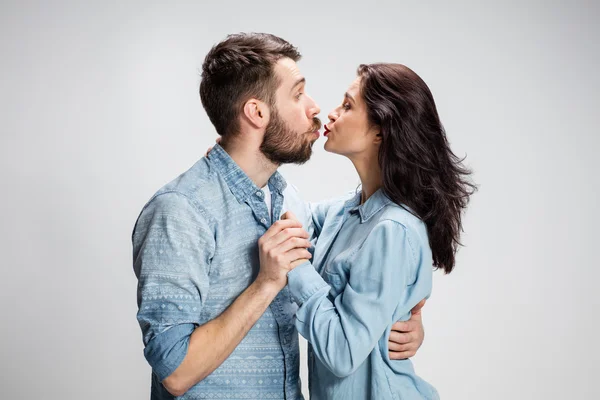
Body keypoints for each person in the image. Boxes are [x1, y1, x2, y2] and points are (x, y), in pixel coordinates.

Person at [132, 33, 426, 399]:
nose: (316, 108)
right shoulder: (180, 211)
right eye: (298, 94)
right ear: (257, 113)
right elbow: (175, 372)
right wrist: (265, 284)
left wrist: (398, 316)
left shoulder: (285, 198)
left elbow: (369, 234)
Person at [284, 63, 476, 399]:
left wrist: (294, 265)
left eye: (347, 106)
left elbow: (342, 352)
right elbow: (291, 213)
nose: (331, 114)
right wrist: (244, 158)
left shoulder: (393, 230)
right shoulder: (346, 210)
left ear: (380, 131)